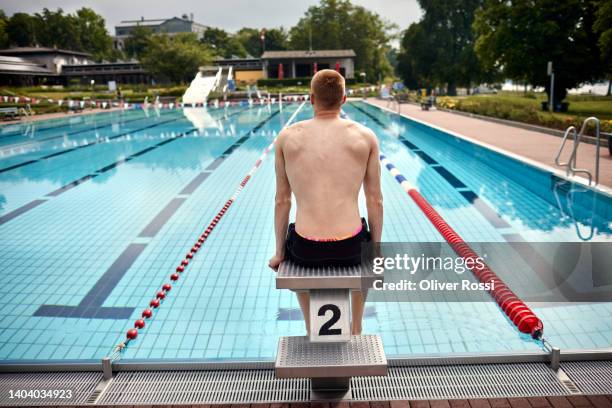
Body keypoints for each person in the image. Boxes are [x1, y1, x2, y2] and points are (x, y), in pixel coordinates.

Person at [268, 69, 383, 335]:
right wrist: (375, 251)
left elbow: (282, 200)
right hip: (351, 249)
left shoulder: (287, 137)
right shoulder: (365, 137)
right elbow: (374, 200)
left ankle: (312, 324)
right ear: (344, 99)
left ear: (311, 98)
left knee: (292, 237)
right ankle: (356, 324)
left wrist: (279, 253)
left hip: (306, 250)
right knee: (364, 240)